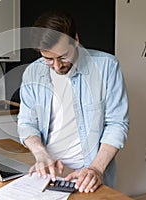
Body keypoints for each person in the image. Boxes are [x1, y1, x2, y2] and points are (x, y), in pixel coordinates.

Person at [17, 10, 129, 193]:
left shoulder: (107, 66)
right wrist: (40, 153)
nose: (57, 66)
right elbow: (27, 122)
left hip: (88, 174)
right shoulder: (32, 73)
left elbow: (117, 124)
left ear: (75, 40)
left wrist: (96, 169)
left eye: (62, 56)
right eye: (48, 59)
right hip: (48, 173)